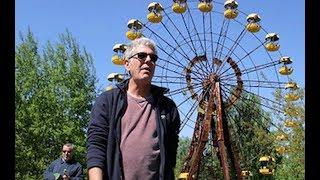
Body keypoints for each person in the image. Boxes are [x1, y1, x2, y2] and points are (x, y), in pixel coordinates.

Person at [86, 37, 181, 180]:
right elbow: (96, 146)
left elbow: (170, 153)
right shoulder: (108, 101)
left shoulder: (167, 108)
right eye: (142, 56)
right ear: (126, 64)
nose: (148, 60)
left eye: (153, 58)